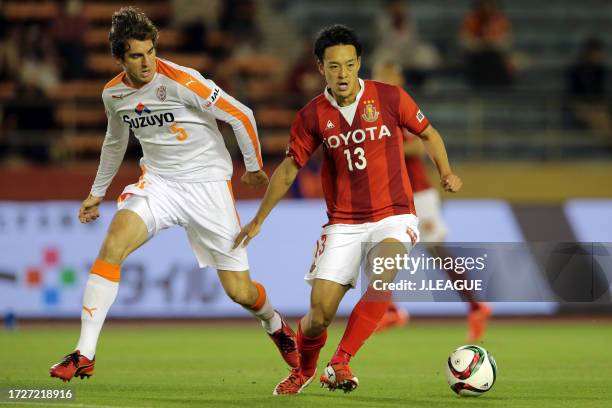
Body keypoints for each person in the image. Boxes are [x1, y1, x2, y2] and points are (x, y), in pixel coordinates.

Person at [49, 7, 298, 383]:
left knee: (240, 291)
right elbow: (115, 142)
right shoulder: (113, 94)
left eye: (150, 51)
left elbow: (241, 114)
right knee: (113, 243)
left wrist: (252, 166)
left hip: (207, 187)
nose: (147, 62)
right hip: (160, 184)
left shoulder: (182, 80)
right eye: (136, 55)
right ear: (120, 58)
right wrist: (96, 193)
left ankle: (275, 323)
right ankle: (85, 353)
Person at [234, 25, 462, 395]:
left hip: (395, 215)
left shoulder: (388, 97)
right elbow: (290, 168)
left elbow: (429, 134)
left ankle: (339, 361)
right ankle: (305, 370)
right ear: (320, 67)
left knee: (382, 278)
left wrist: (446, 172)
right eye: (334, 66)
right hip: (343, 223)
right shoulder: (312, 116)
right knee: (317, 317)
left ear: (360, 63)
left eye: (350, 64)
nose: (343, 74)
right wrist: (259, 218)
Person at [371, 62, 491, 341]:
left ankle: (476, 305)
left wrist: (384, 145)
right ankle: (390, 310)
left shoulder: (401, 107)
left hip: (418, 192)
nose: (383, 79)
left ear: (398, 78)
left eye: (388, 74)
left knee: (437, 251)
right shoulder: (374, 110)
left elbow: (418, 145)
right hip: (392, 194)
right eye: (380, 74)